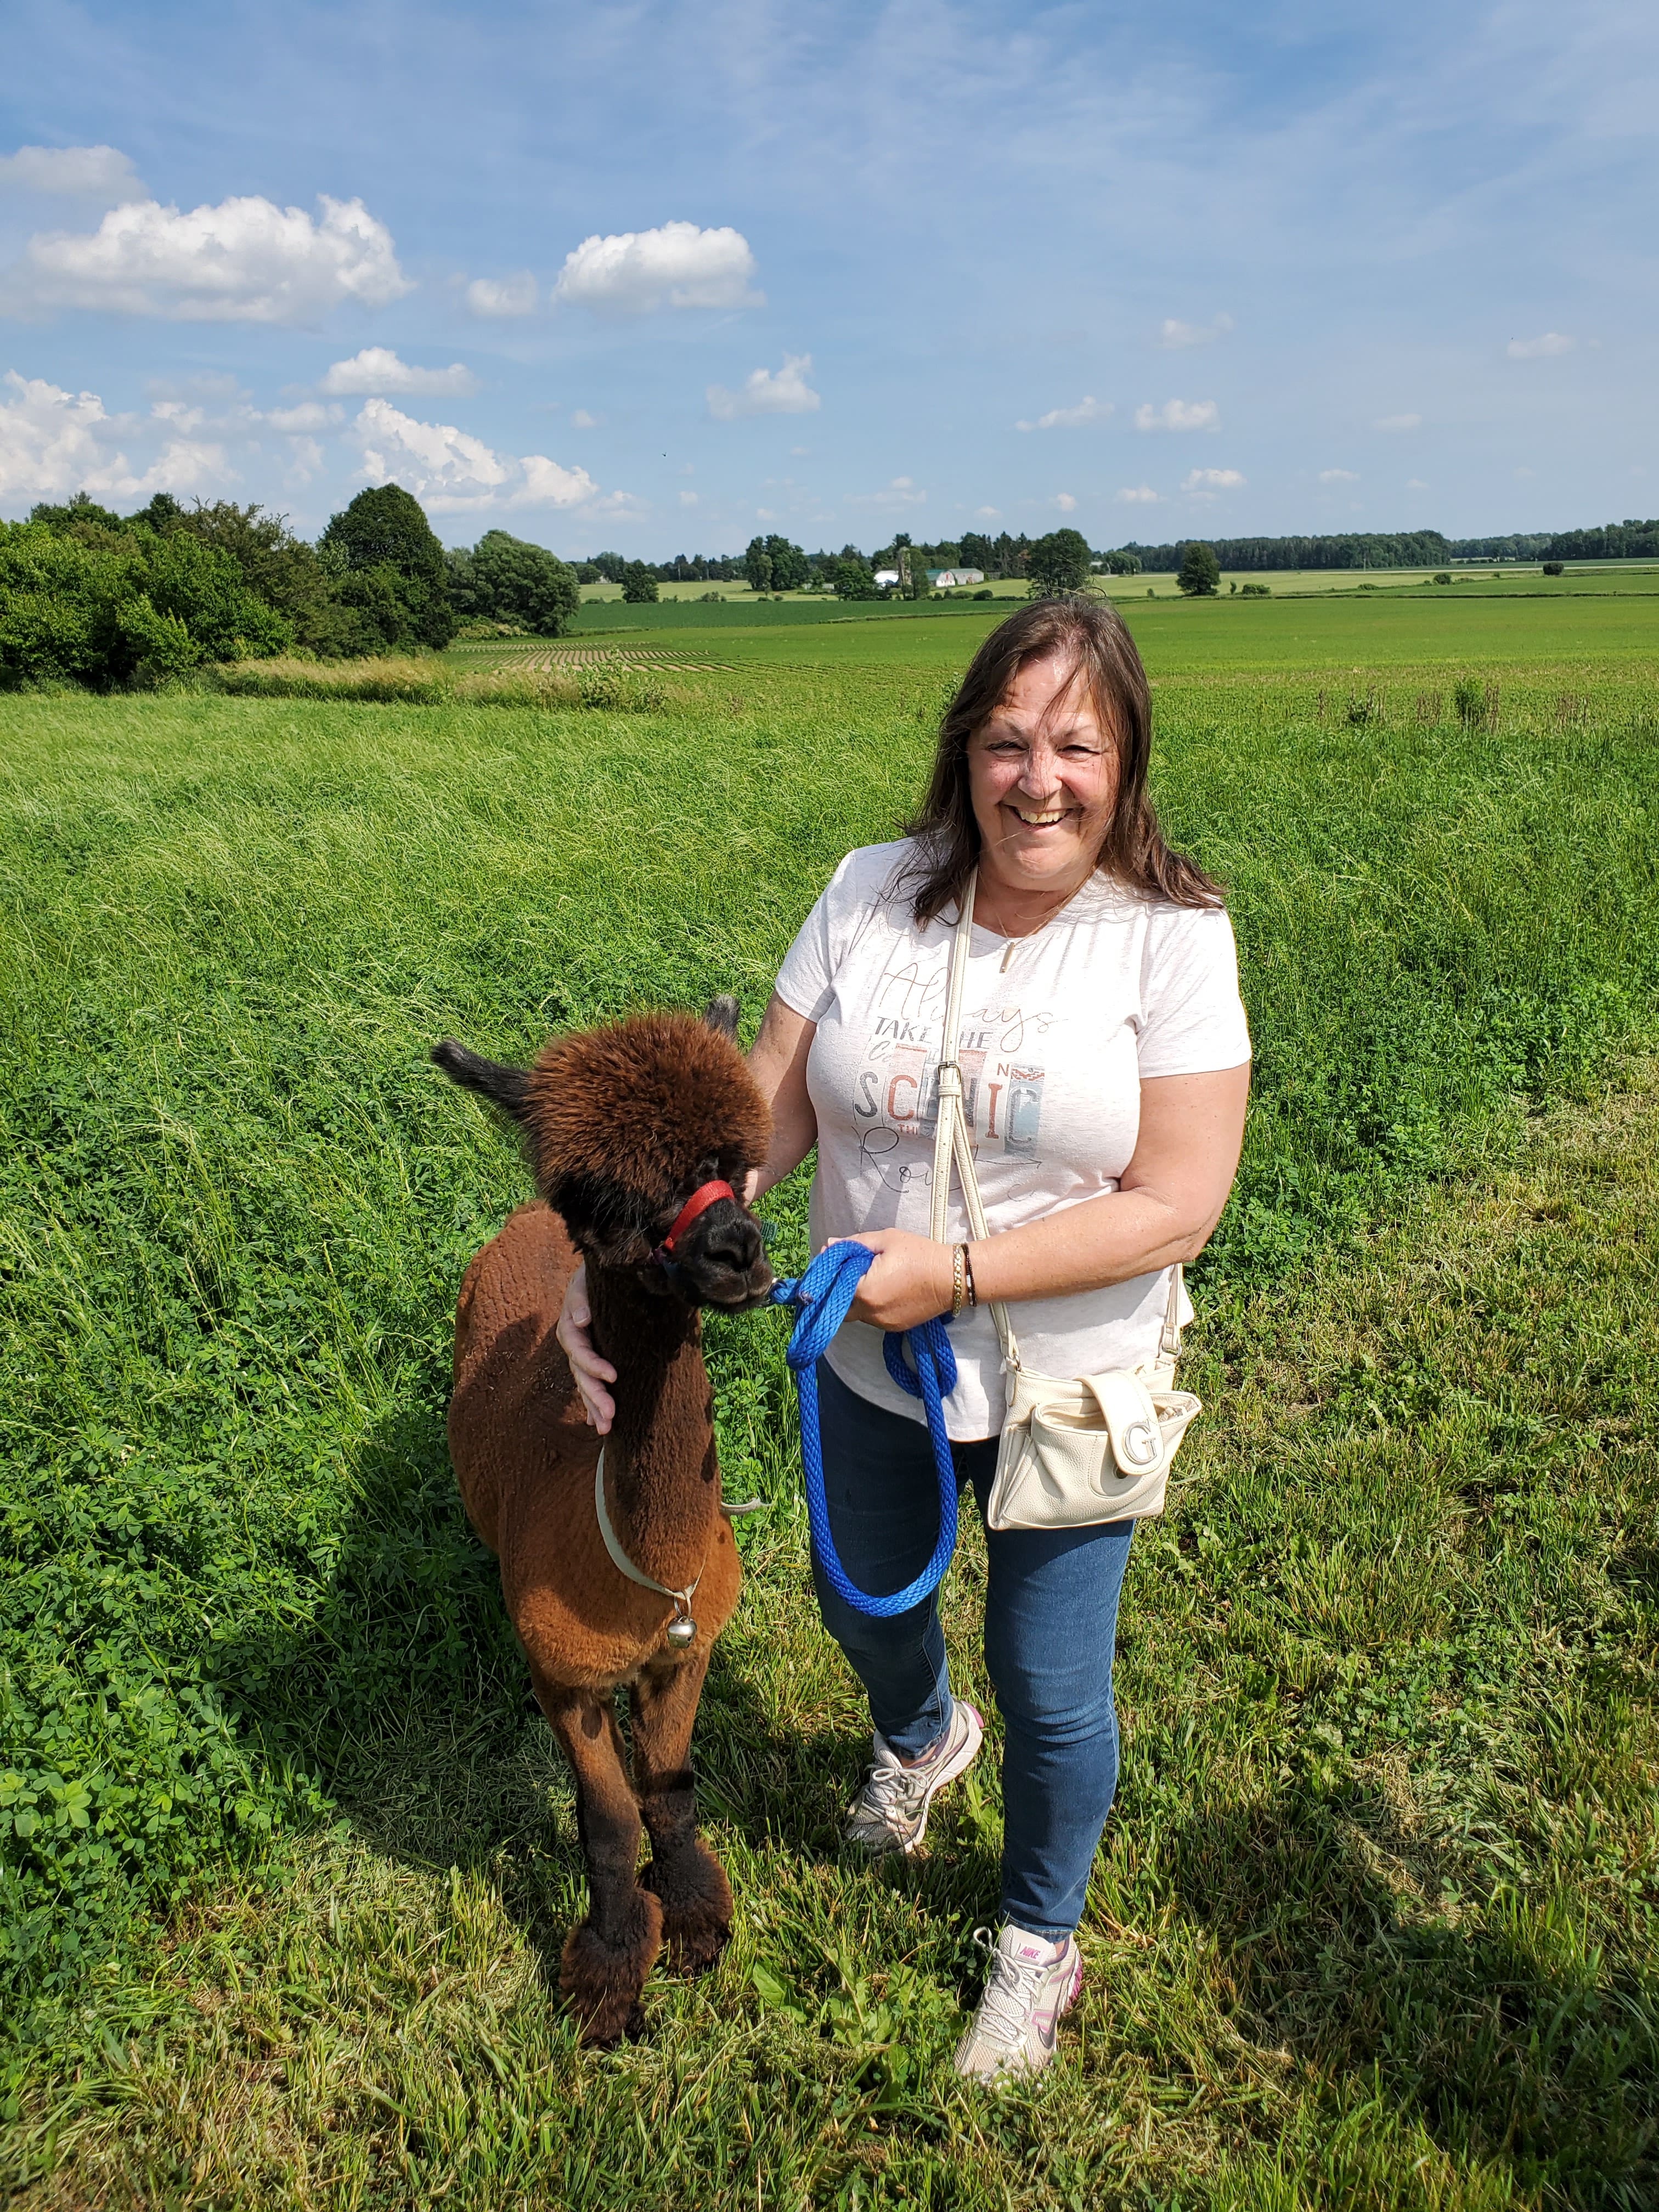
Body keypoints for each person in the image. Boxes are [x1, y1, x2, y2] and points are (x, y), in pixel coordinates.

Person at [558, 598, 1251, 2080]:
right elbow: (763, 1122)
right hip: (871, 1360)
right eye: (1007, 741)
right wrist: (618, 1260)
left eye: (1078, 742)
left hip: (1069, 1382)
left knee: (1052, 1681)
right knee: (861, 1605)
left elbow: (1178, 1203)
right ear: (965, 751)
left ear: (1125, 762)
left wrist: (964, 1272)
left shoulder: (1173, 938)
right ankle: (922, 1740)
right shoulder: (872, 893)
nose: (1039, 778)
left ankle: (1037, 1942)